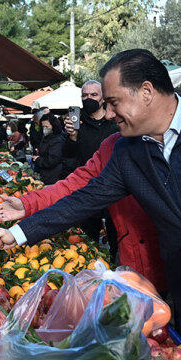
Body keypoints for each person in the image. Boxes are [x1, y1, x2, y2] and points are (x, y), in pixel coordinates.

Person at [0, 49, 181, 360]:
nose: (109, 114)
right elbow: (82, 199)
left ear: (146, 91)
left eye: (113, 102)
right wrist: (15, 234)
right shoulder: (125, 152)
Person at [0, 133, 168, 293]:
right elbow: (76, 189)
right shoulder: (114, 145)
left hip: (180, 263)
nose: (111, 113)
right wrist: (27, 204)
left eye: (115, 102)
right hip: (136, 259)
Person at [63, 80, 120, 247]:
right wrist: (72, 137)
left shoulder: (115, 123)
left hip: (114, 188)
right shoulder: (77, 124)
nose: (89, 98)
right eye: (85, 95)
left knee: (118, 240)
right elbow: (68, 160)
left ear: (103, 98)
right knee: (88, 241)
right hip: (87, 189)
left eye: (94, 95)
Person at [34, 113, 66, 185]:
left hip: (53, 176)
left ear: (53, 125)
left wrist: (38, 160)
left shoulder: (57, 140)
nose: (45, 129)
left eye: (46, 126)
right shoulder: (47, 137)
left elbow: (52, 160)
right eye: (43, 126)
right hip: (46, 174)